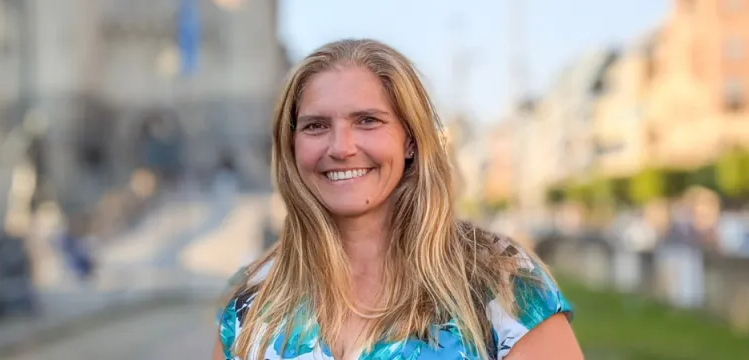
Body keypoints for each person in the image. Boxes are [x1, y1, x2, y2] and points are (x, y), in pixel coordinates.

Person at [213, 39, 581, 360]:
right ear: (291, 146)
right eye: (316, 125)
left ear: (410, 139)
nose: (341, 147)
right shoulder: (253, 302)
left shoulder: (501, 285)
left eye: (368, 121)